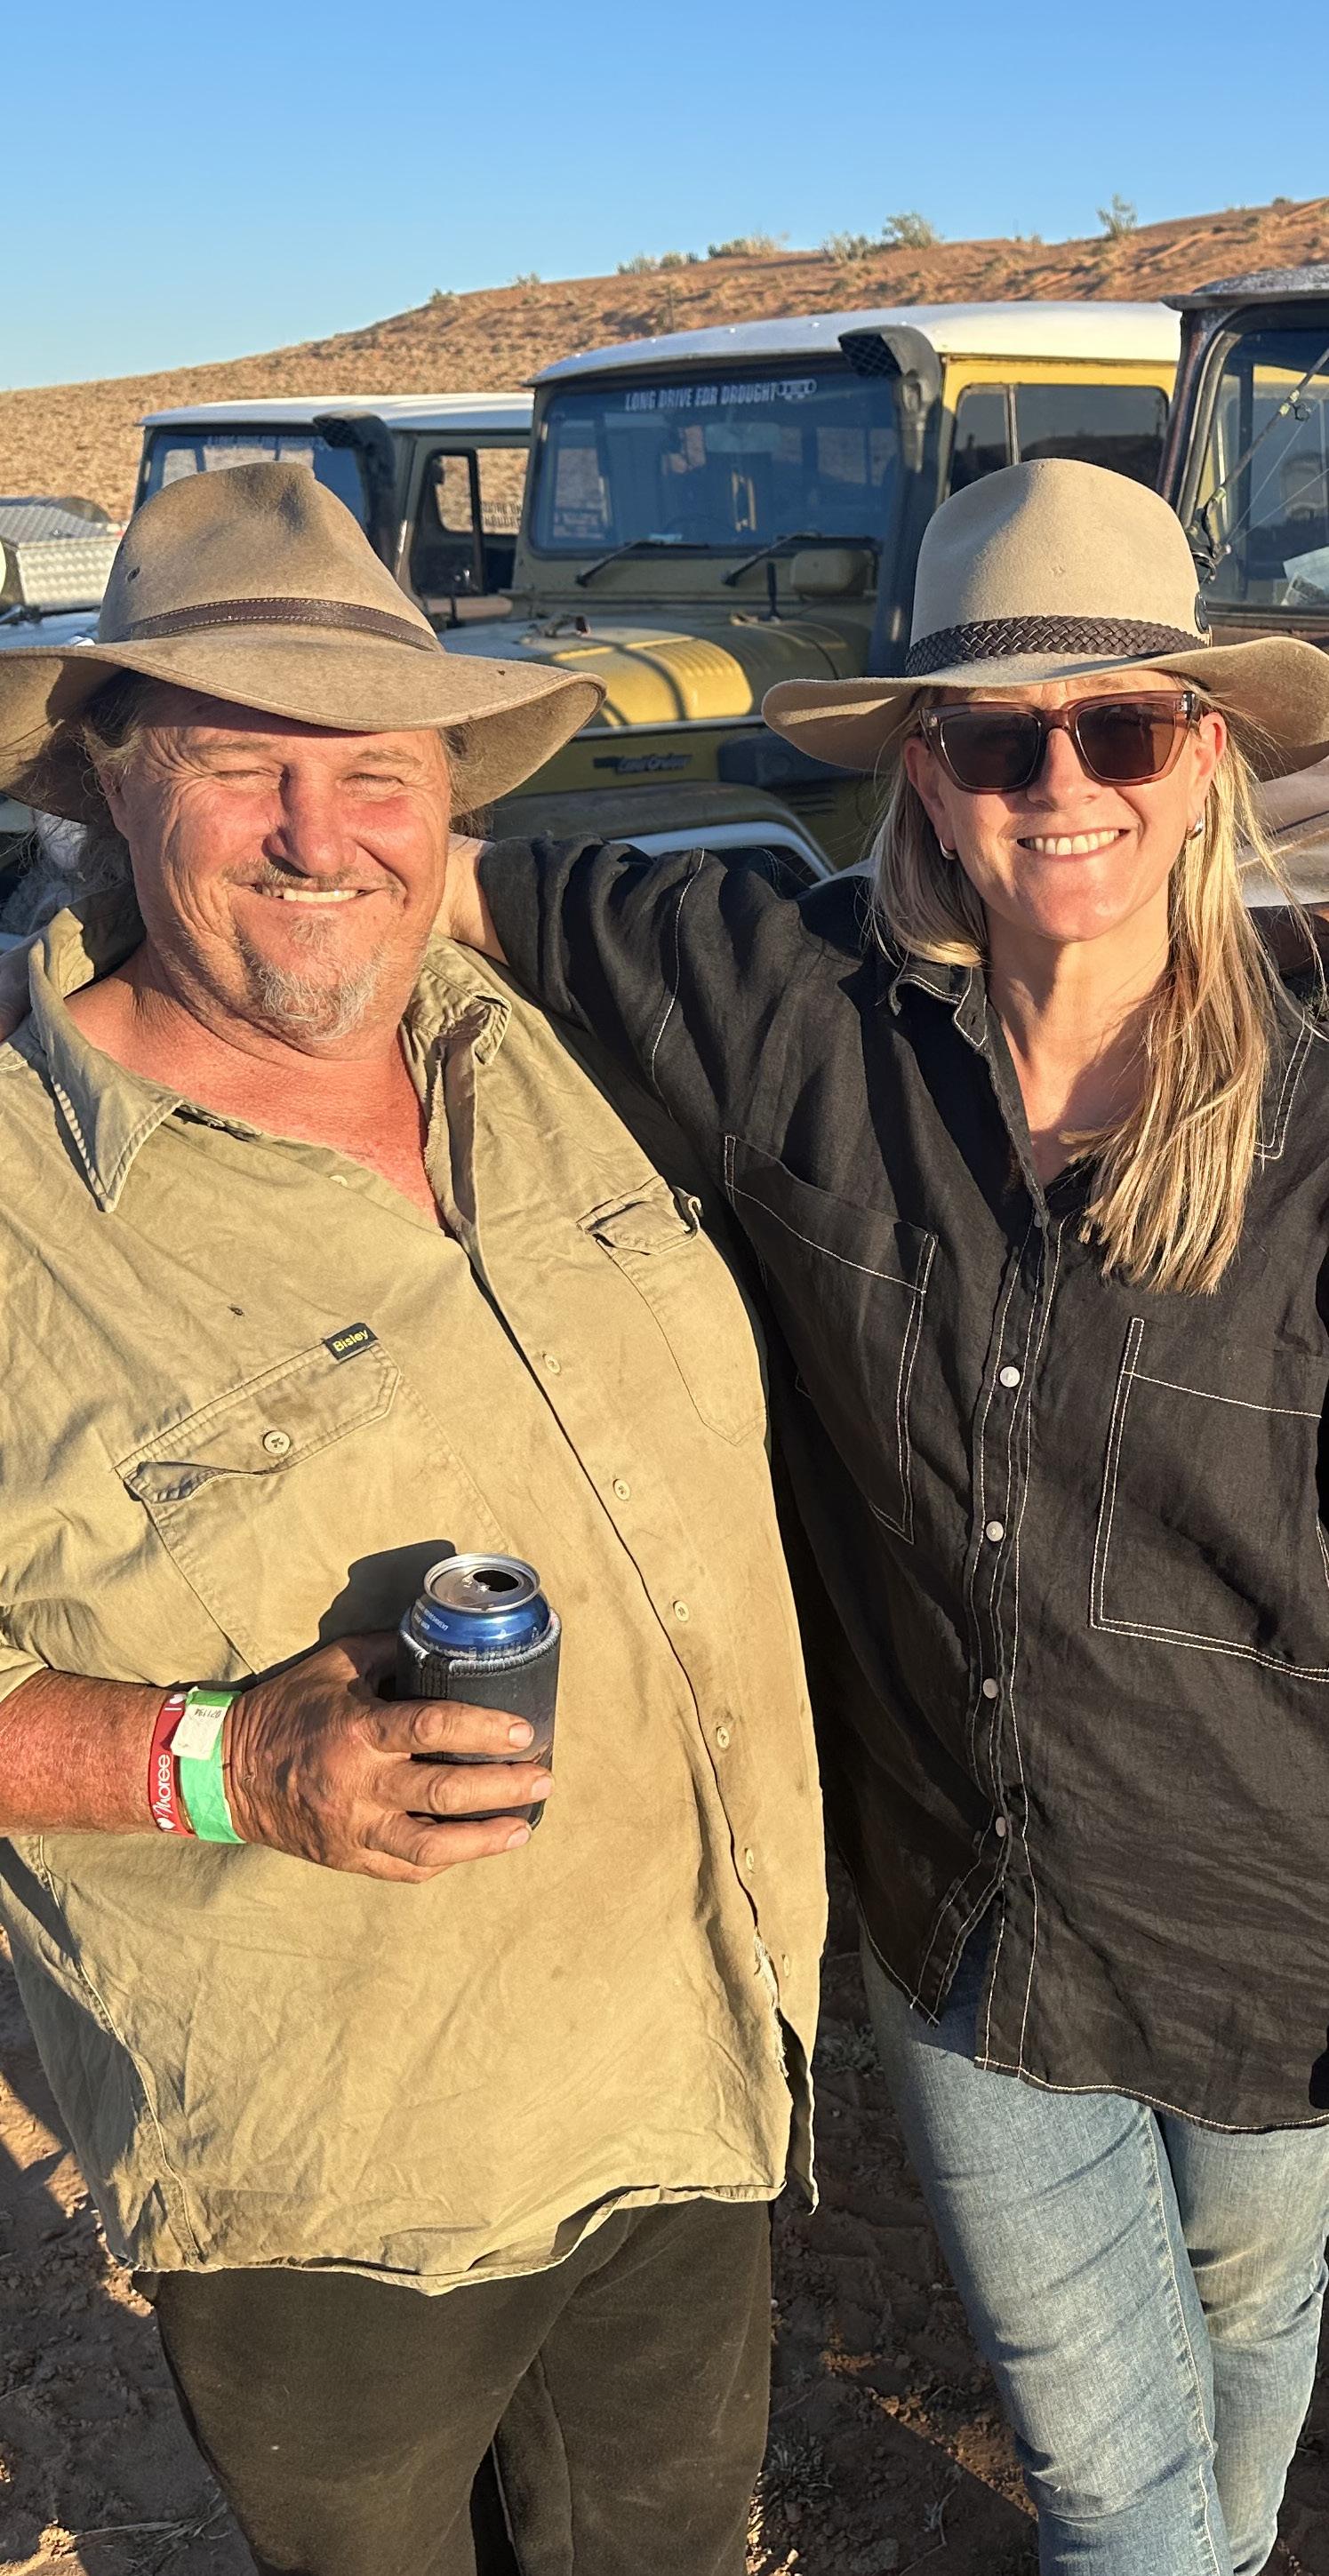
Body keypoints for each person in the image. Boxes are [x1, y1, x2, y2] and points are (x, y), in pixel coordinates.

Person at [438, 460, 1329, 2576]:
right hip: (969, 1916)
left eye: (1121, 727)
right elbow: (433, 877)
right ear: (924, 771)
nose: (1062, 785)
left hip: (1270, 1917)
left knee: (1247, 2330)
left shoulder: (1313, 1115)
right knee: (1113, 2484)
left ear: (1202, 755)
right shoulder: (792, 1015)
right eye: (1000, 739)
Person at [0, 460, 826, 2576]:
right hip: (344, 2193)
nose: (319, 832)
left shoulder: (541, 1051)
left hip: (688, 2066)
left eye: (374, 768)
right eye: (239, 768)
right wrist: (220, 1764)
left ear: (445, 797)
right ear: (105, 784)